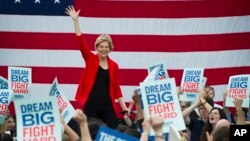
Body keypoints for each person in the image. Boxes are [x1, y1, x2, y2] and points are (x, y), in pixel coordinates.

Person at [65, 5, 128, 129]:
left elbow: (116, 88)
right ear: (97, 47)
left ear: (110, 49)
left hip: (107, 104)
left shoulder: (114, 65)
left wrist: (124, 107)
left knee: (113, 130)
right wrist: (75, 21)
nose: (103, 49)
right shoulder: (90, 59)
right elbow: (81, 41)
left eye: (106, 47)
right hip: (91, 103)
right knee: (86, 130)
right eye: (101, 46)